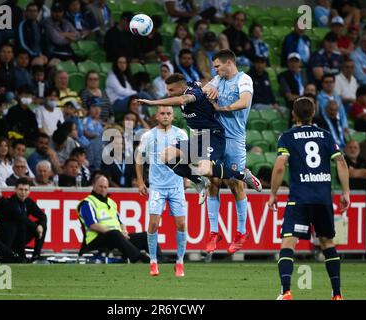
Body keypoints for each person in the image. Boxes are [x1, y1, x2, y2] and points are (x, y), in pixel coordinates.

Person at [268, 96, 350, 300]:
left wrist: (273, 194)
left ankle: (286, 291)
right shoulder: (326, 136)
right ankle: (337, 294)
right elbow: (341, 163)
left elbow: (279, 167)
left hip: (299, 199)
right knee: (328, 243)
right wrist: (346, 192)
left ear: (293, 114)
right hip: (323, 198)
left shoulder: (287, 137)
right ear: (313, 114)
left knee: (288, 243)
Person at [138, 72, 262, 205]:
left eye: (171, 90)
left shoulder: (192, 94)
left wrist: (152, 102)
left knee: (205, 169)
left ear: (181, 88)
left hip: (213, 135)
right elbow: (200, 83)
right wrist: (210, 87)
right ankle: (199, 182)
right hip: (198, 138)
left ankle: (243, 175)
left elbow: (182, 100)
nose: (168, 93)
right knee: (165, 155)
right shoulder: (193, 86)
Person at [202, 49, 260, 254]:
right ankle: (213, 232)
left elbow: (244, 101)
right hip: (217, 138)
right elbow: (206, 86)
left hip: (235, 139)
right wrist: (209, 88)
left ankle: (241, 232)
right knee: (212, 180)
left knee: (235, 185)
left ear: (228, 63)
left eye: (217, 66)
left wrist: (222, 108)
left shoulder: (244, 79)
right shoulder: (219, 79)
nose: (215, 70)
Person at [136, 106, 188, 277]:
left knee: (181, 224)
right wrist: (141, 181)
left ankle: (179, 263)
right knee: (154, 223)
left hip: (176, 186)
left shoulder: (181, 134)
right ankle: (153, 262)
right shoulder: (148, 136)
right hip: (157, 186)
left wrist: (187, 177)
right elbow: (139, 159)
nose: (165, 116)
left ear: (173, 116)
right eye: (162, 114)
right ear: (156, 116)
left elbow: (186, 157)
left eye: (168, 114)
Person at [77, 174, 153, 263]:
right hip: (96, 240)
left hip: (116, 238)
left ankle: (159, 259)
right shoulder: (87, 203)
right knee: (115, 234)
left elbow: (121, 222)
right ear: (93, 185)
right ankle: (138, 258)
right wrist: (118, 233)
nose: (103, 189)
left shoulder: (111, 202)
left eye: (105, 187)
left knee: (145, 236)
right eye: (100, 186)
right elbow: (92, 225)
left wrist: (124, 232)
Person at [0, 178, 47, 261]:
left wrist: (41, 225)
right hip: (8, 236)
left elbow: (42, 215)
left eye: (26, 190)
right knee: (21, 224)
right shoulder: (11, 201)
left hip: (22, 235)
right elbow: (20, 217)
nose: (23, 192)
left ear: (29, 191)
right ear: (15, 190)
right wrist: (36, 227)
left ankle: (36, 255)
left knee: (43, 225)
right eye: (20, 189)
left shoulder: (28, 202)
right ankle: (16, 254)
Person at [83, 98, 104, 170]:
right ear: (88, 109)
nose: (97, 109)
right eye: (94, 107)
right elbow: (85, 133)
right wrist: (98, 136)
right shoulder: (85, 120)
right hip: (89, 149)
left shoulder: (100, 122)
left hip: (99, 149)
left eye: (99, 107)